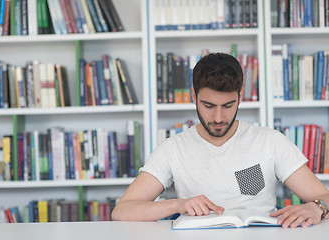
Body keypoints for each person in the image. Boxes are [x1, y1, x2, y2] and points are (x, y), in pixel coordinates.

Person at [111, 52, 329, 228]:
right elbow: (122, 211)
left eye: (227, 106)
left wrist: (318, 207)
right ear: (193, 96)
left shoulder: (270, 142)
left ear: (240, 96)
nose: (218, 118)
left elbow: (322, 196)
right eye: (208, 106)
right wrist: (179, 204)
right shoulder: (173, 148)